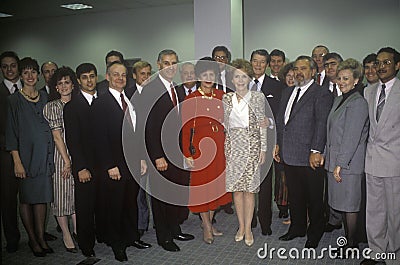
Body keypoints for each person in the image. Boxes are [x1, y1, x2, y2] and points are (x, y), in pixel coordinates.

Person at [91, 61, 151, 262]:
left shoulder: (130, 99)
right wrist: (109, 165)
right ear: (107, 77)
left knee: (130, 203)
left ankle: (131, 237)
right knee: (115, 205)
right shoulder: (101, 103)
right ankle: (117, 243)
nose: (120, 78)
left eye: (123, 75)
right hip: (115, 165)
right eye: (115, 75)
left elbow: (136, 132)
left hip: (133, 162)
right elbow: (99, 137)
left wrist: (142, 158)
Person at [274, 55, 333, 249]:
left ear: (313, 72)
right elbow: (282, 122)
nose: (299, 72)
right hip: (289, 153)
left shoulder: (321, 93)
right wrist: (277, 144)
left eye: (304, 68)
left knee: (315, 197)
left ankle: (314, 232)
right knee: (295, 195)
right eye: (296, 68)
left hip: (310, 156)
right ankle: (297, 228)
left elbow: (321, 122)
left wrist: (316, 150)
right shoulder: (287, 92)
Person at [141, 49, 194, 252]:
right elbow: (149, 127)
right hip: (160, 155)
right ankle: (164, 237)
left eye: (173, 63)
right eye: (166, 63)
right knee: (161, 197)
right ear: (158, 65)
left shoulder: (177, 89)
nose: (170, 67)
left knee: (174, 194)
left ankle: (174, 229)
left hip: (177, 153)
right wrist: (157, 156)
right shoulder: (149, 90)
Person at [6, 57, 55, 257]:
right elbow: (11, 133)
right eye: (25, 72)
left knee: (41, 198)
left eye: (33, 71)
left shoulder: (44, 97)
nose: (30, 76)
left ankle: (41, 237)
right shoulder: (14, 100)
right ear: (21, 75)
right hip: (25, 158)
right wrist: (17, 161)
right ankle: (33, 240)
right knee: (27, 199)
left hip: (44, 157)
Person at [181, 57, 232, 244]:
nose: (208, 77)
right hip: (201, 149)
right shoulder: (191, 98)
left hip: (220, 148)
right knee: (203, 189)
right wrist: (187, 153)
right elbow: (186, 129)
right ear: (198, 76)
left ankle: (208, 223)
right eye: (204, 74)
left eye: (212, 74)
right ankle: (207, 227)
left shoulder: (221, 95)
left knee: (216, 189)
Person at [324, 58, 369, 252]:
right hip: (336, 161)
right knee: (341, 204)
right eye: (339, 78)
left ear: (356, 80)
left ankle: (351, 243)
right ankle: (348, 239)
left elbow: (351, 138)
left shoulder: (358, 103)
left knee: (349, 206)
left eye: (346, 78)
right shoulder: (340, 99)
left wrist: (340, 164)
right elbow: (331, 132)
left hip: (348, 165)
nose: (341, 82)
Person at [361, 47, 400, 265]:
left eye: (386, 62)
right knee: (374, 211)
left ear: (397, 65)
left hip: (395, 162)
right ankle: (377, 252)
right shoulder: (369, 91)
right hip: (372, 160)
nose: (381, 66)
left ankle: (394, 256)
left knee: (395, 213)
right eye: (378, 62)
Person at [223, 59, 267, 247]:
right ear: (232, 79)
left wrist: (263, 148)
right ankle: (240, 226)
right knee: (237, 191)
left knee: (250, 191)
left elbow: (262, 126)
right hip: (233, 148)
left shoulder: (258, 98)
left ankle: (248, 228)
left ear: (249, 78)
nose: (240, 80)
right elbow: (225, 125)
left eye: (244, 76)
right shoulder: (226, 99)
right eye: (237, 76)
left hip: (252, 147)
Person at [64, 63, 99, 258]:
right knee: (85, 207)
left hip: (103, 164)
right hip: (85, 166)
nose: (89, 80)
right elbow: (73, 141)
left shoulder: (102, 101)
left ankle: (102, 235)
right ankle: (87, 244)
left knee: (102, 204)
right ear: (78, 81)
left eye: (92, 76)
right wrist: (81, 167)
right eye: (84, 77)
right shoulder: (72, 107)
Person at [43, 67, 78, 253]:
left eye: (67, 82)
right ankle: (66, 234)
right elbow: (57, 137)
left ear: (73, 84)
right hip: (61, 157)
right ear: (55, 87)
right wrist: (67, 161)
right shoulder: (52, 107)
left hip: (78, 156)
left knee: (77, 196)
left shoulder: (79, 104)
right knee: (62, 197)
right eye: (60, 83)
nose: (64, 86)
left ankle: (79, 230)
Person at [249, 49, 283, 234]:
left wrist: (269, 121)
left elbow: (280, 113)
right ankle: (250, 217)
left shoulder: (276, 86)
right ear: (251, 62)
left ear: (267, 64)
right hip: (246, 143)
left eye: (262, 62)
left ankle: (265, 222)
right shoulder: (242, 83)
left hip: (266, 143)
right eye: (255, 61)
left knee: (264, 183)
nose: (258, 65)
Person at [0, 51, 21, 253]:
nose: (9, 69)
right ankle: (12, 237)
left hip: (31, 153)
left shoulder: (30, 90)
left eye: (13, 65)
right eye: (5, 66)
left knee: (32, 196)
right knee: (8, 199)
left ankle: (37, 233)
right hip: (6, 155)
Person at [131, 60, 152, 235]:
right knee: (139, 193)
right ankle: (139, 227)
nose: (145, 77)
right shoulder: (129, 95)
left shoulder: (154, 93)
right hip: (137, 151)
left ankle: (147, 224)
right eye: (142, 74)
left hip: (153, 149)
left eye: (148, 73)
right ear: (134, 76)